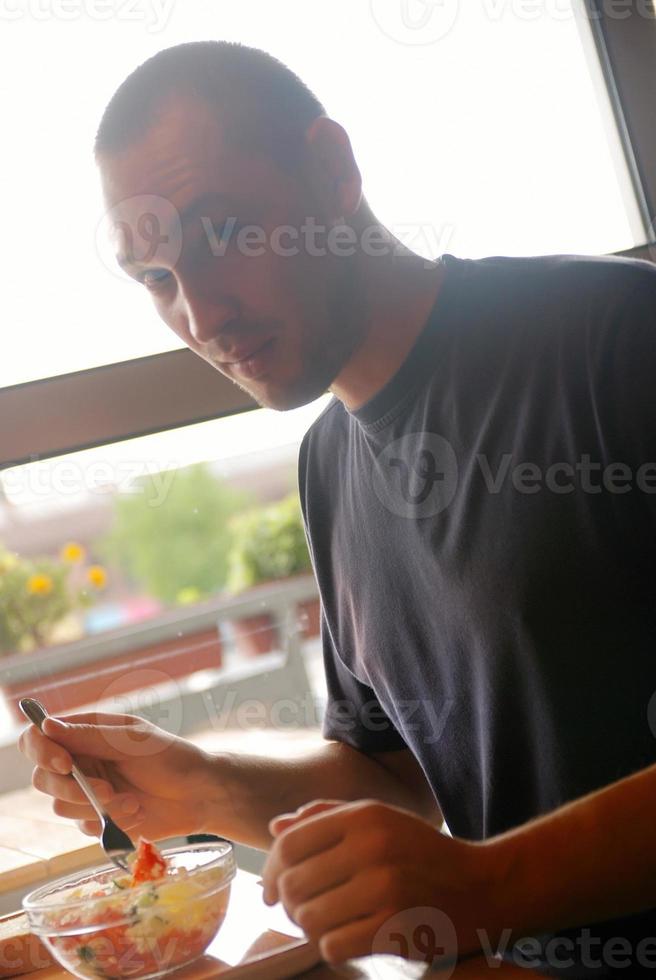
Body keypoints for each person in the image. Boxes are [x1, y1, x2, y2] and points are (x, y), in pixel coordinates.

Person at [19, 41, 656, 976]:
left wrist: (490, 887)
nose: (200, 314)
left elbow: (469, 870)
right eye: (156, 280)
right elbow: (401, 788)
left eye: (224, 233)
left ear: (332, 170)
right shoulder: (331, 462)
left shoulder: (615, 337)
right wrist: (205, 785)